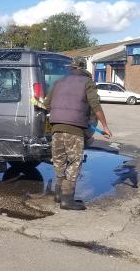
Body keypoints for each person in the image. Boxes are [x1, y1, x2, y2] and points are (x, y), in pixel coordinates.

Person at [44, 61, 112, 211]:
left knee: (59, 161)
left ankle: (59, 194)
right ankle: (67, 200)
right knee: (74, 162)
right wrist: (105, 127)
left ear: (71, 68)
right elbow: (95, 105)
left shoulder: (59, 81)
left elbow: (46, 104)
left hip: (56, 128)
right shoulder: (87, 82)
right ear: (84, 69)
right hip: (74, 130)